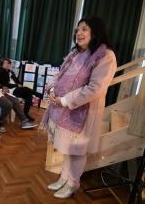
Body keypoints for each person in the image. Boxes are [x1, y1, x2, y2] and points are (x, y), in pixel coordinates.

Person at [41, 16, 117, 199]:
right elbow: (60, 74)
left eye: (84, 29)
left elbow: (95, 89)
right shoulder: (76, 53)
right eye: (78, 29)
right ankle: (64, 177)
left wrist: (65, 100)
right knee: (66, 148)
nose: (79, 33)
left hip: (83, 111)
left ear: (96, 32)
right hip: (64, 110)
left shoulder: (106, 56)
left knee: (76, 150)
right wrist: (51, 88)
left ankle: (73, 183)